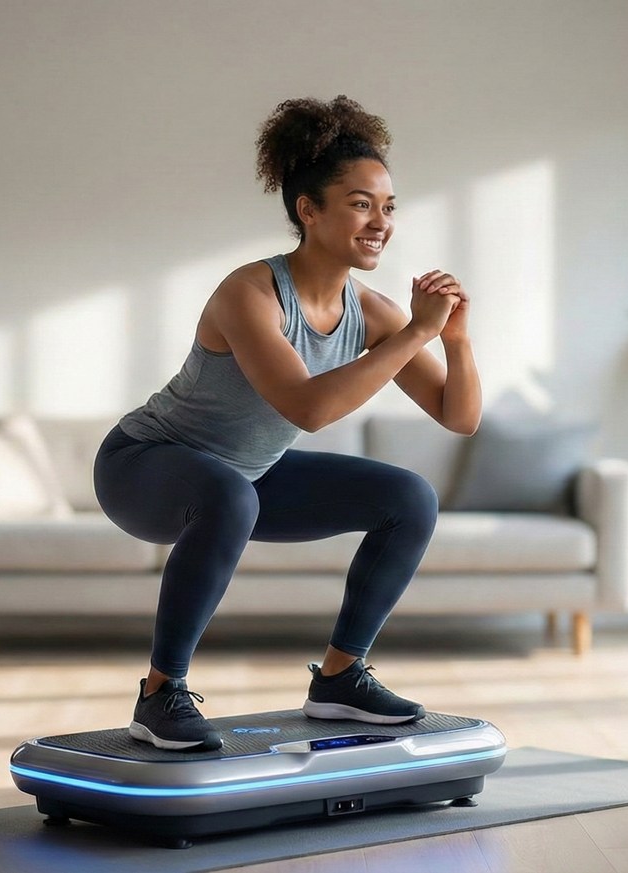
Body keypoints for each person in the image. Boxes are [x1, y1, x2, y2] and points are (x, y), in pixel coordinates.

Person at [93, 95, 482, 751]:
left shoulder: (371, 311)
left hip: (246, 479)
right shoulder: (248, 293)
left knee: (407, 498)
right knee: (227, 492)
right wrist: (417, 330)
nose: (381, 221)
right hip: (143, 465)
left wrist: (456, 340)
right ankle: (160, 693)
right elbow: (308, 406)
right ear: (309, 209)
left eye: (388, 206)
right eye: (361, 203)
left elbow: (458, 416)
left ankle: (339, 678)